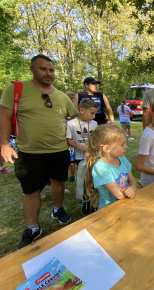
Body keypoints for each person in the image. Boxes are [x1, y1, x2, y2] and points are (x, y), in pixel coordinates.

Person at [0, 54, 78, 249]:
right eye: (43, 69)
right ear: (32, 69)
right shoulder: (16, 89)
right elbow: (3, 117)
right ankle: (33, 227)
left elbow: (74, 117)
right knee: (31, 190)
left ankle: (57, 209)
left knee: (58, 181)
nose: (48, 73)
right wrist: (3, 143)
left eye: (51, 70)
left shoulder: (60, 96)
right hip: (29, 153)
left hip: (59, 150)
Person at [84, 124, 137, 210]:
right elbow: (119, 194)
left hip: (125, 205)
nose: (126, 146)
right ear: (106, 148)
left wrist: (132, 188)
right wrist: (129, 191)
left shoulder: (122, 160)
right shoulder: (101, 168)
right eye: (122, 144)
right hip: (109, 211)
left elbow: (132, 181)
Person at [66, 98, 98, 215]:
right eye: (92, 113)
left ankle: (94, 201)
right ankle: (86, 200)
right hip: (80, 157)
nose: (94, 117)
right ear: (82, 110)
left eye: (95, 113)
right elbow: (68, 140)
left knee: (94, 178)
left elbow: (96, 137)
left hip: (93, 155)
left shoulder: (94, 123)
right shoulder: (71, 124)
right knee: (85, 180)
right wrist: (80, 147)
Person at [66, 91, 77, 182]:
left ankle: (73, 176)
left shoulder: (76, 109)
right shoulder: (64, 108)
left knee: (72, 161)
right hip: (65, 138)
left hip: (73, 139)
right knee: (67, 160)